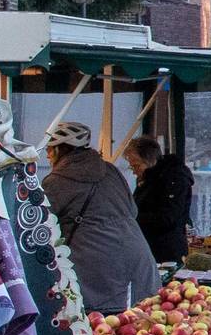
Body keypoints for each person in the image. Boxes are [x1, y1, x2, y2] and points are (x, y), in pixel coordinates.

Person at [39, 122, 162, 314]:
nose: (47, 156)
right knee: (138, 325)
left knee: (98, 328)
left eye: (49, 150)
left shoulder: (55, 182)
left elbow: (41, 226)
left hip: (97, 274)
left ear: (58, 150)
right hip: (138, 264)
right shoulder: (111, 171)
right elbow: (133, 210)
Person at [123, 135, 197, 266]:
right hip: (149, 248)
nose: (134, 172)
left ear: (150, 161)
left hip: (166, 252)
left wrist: (131, 218)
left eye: (136, 166)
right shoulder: (148, 179)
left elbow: (168, 217)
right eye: (132, 167)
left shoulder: (174, 179)